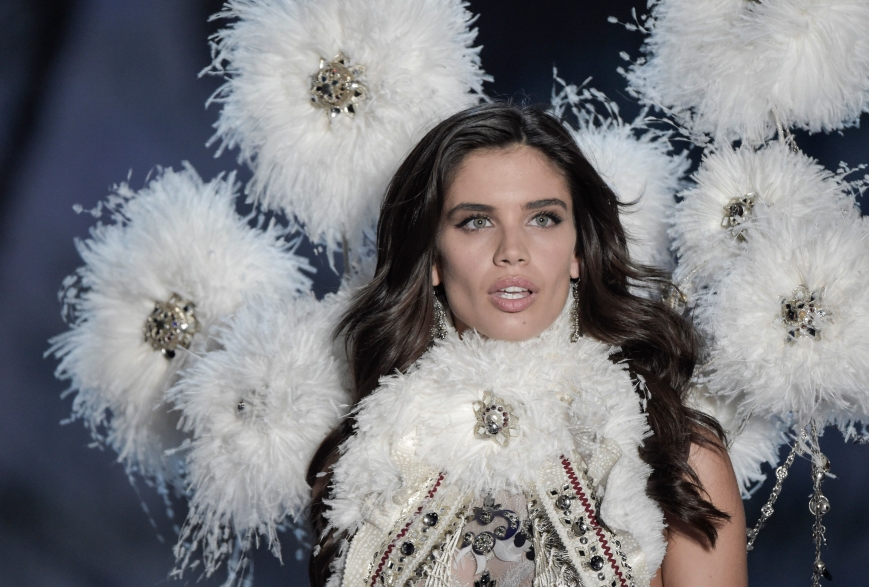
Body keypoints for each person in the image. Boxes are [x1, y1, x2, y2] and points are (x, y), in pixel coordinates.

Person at [307, 103, 748, 587]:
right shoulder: (366, 460)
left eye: (542, 219)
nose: (511, 250)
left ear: (579, 250)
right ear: (432, 257)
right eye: (476, 221)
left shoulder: (676, 455)